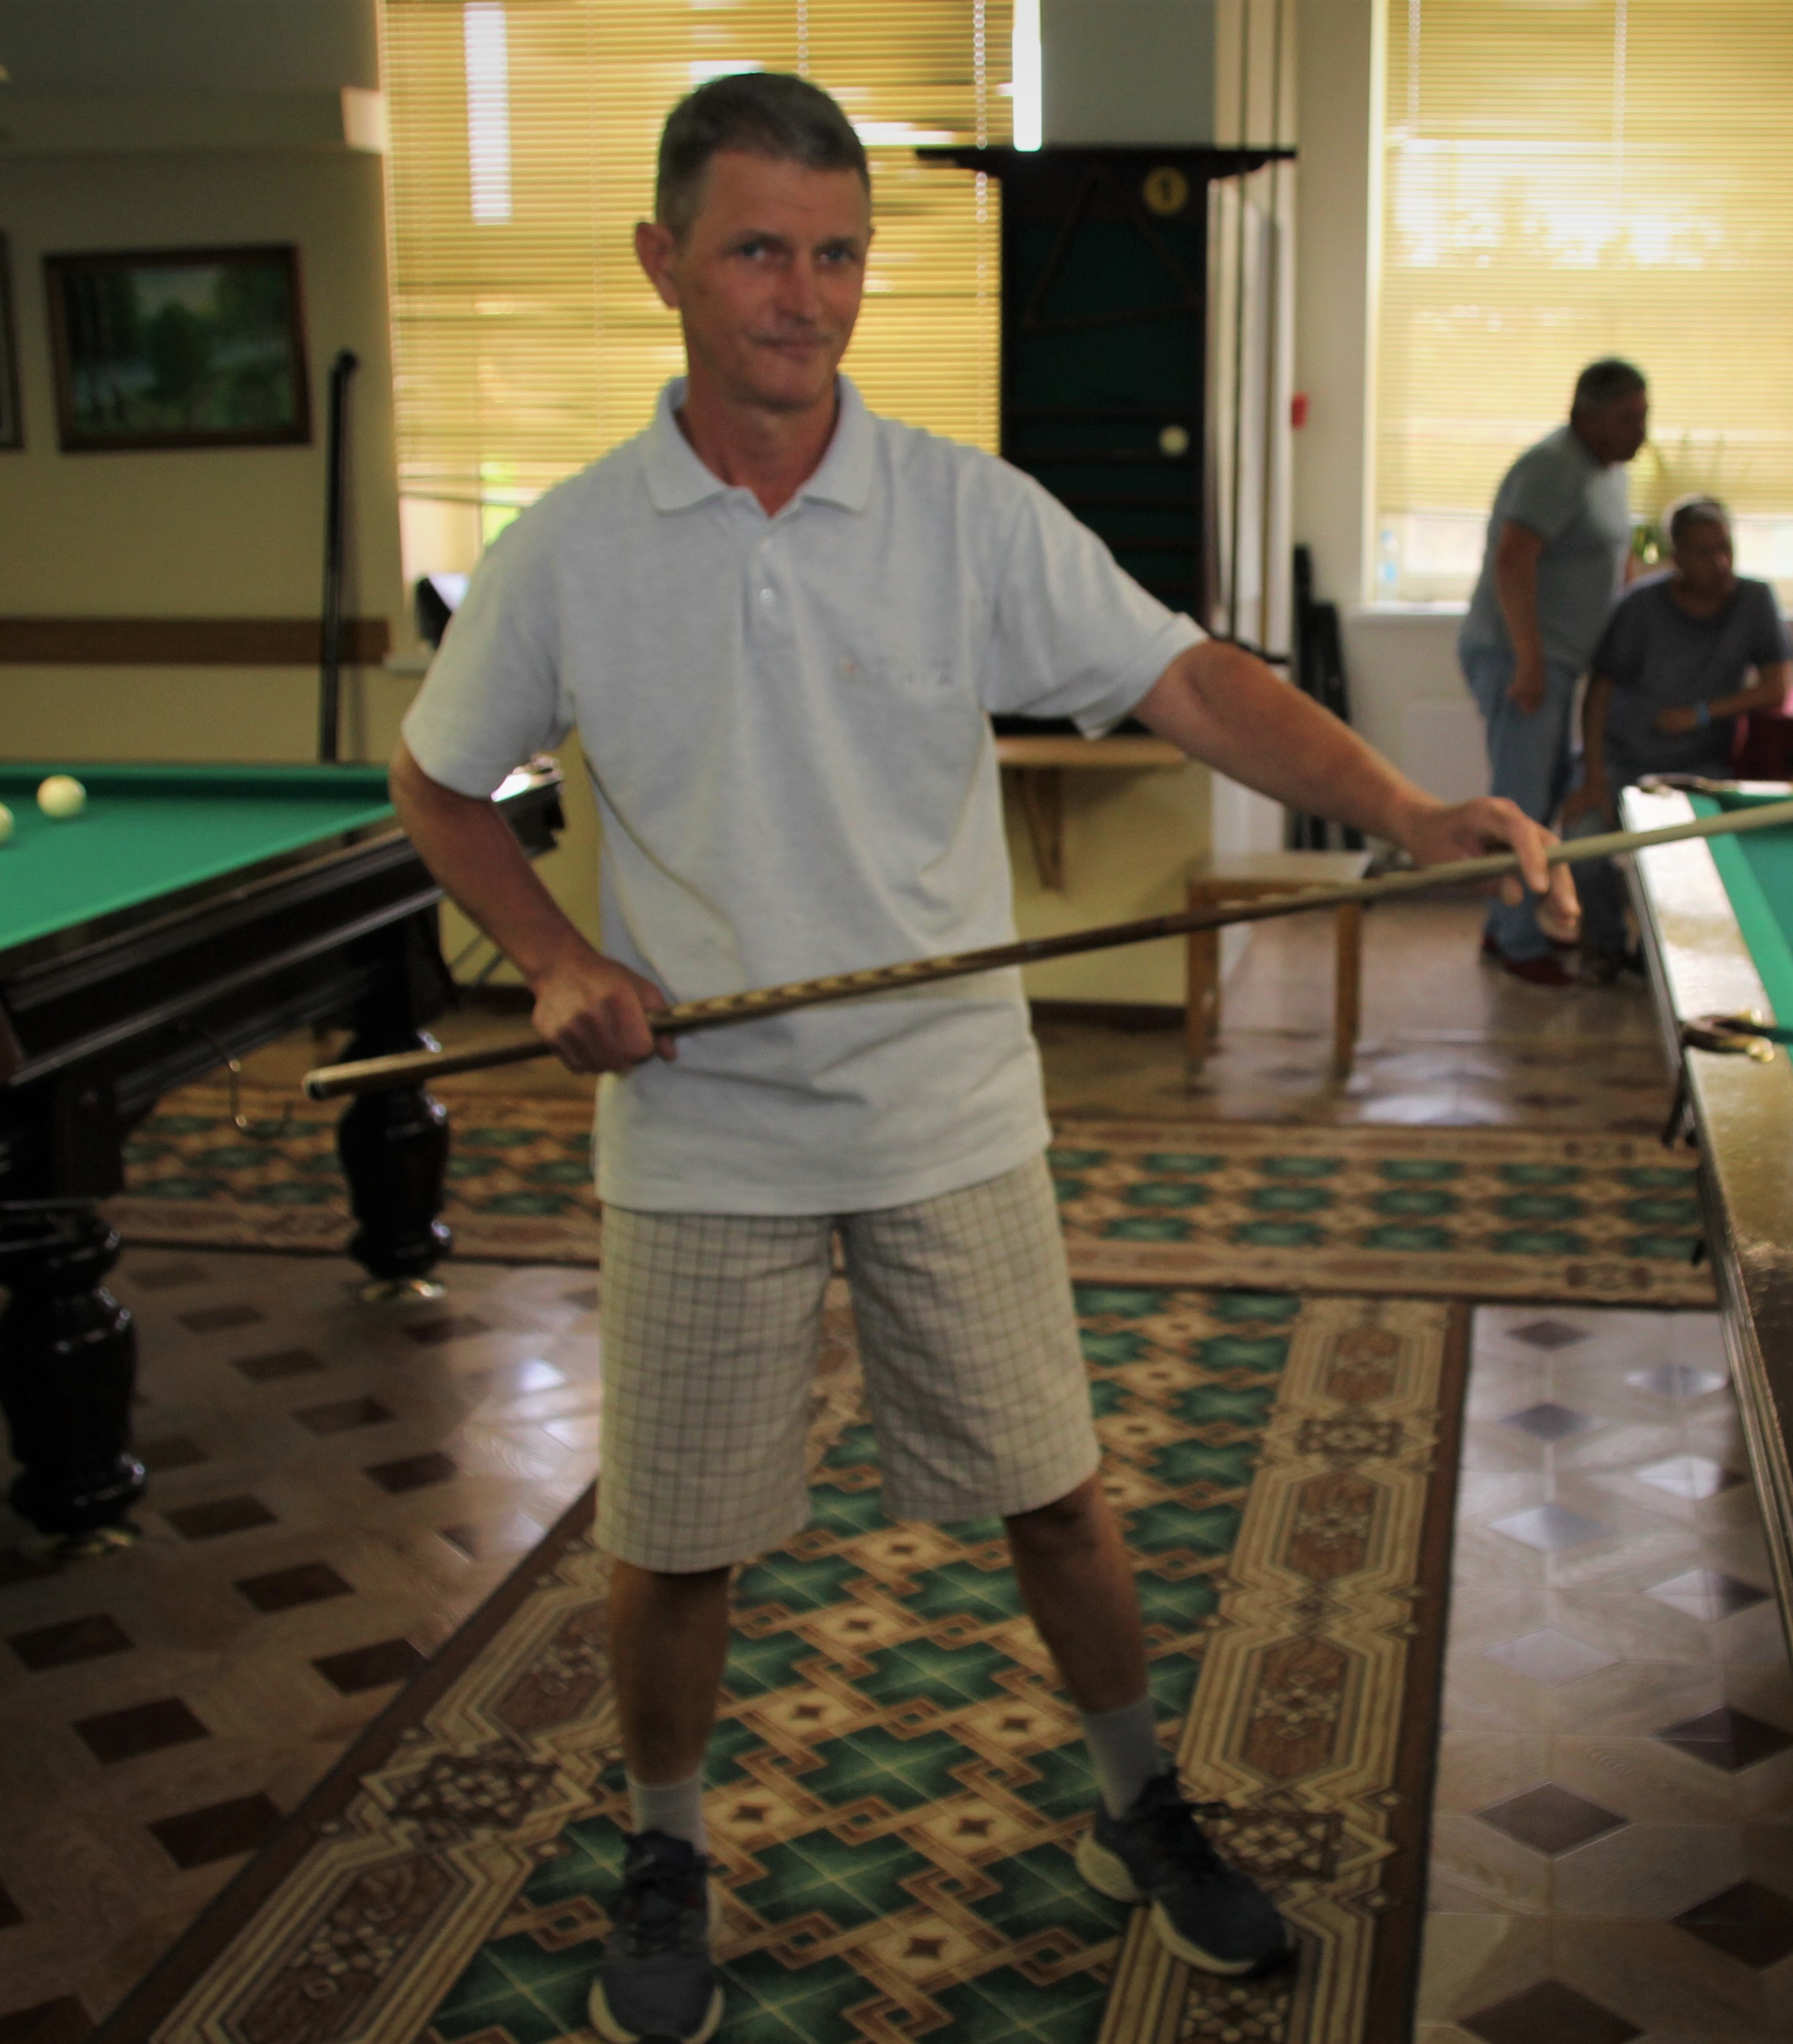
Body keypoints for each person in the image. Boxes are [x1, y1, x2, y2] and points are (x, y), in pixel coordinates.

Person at [388, 74, 1577, 2044]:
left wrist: (1399, 807)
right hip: (697, 1123)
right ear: (662, 261)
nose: (803, 295)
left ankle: (1138, 1801)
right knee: (673, 1541)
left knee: (1058, 1499)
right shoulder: (570, 549)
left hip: (947, 1108)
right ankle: (666, 1844)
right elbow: (437, 781)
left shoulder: (961, 510)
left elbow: (1188, 676)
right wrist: (553, 956)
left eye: (837, 254)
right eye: (757, 250)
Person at [1456, 358, 1649, 985]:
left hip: (1560, 662)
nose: (1640, 431)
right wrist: (1530, 662)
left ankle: (1504, 926)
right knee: (1522, 800)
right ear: (1586, 416)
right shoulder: (1553, 467)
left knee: (1540, 796)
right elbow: (1512, 562)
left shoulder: (1606, 472)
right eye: (1628, 418)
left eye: (1644, 416)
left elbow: (1609, 558)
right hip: (1519, 659)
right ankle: (1516, 943)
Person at [1559, 496, 1793, 975]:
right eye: (1705, 553)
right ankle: (1604, 946)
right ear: (1677, 558)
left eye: (1726, 548)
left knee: (1684, 861)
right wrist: (1594, 778)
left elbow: (1776, 688)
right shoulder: (1640, 606)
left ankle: (1662, 959)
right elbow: (1598, 693)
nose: (1720, 563)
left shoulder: (1754, 600)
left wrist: (1702, 714)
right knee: (1584, 843)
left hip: (1699, 767)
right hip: (1621, 757)